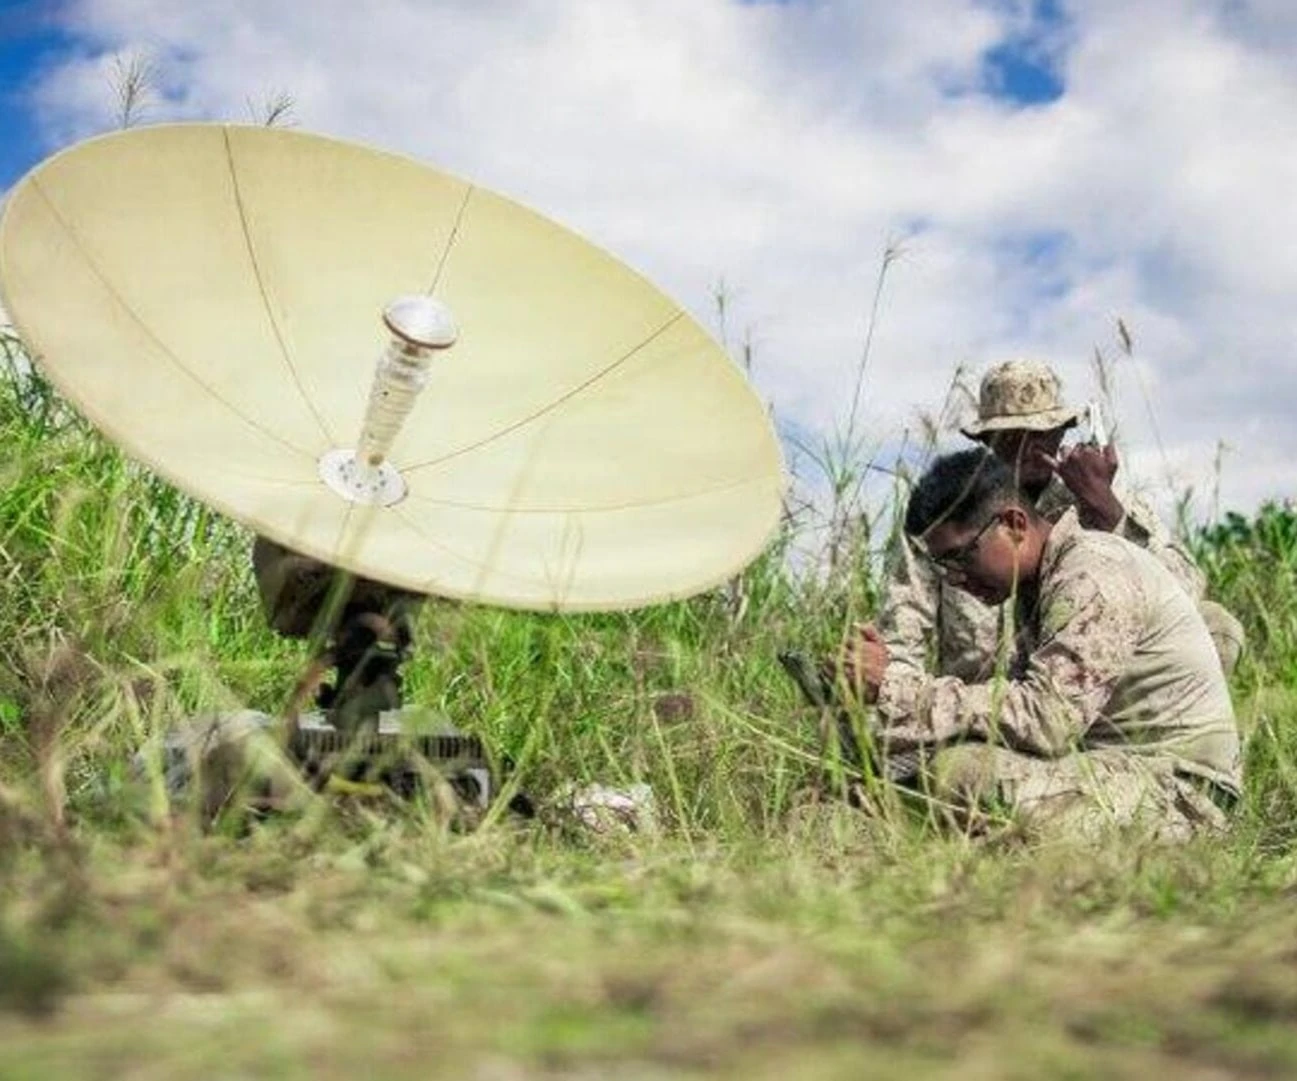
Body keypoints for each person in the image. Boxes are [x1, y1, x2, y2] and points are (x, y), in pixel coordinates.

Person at [841, 449, 1242, 841]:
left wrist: (896, 688)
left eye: (961, 557)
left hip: (1180, 791)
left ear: (1015, 524)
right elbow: (1016, 712)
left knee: (960, 773)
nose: (954, 579)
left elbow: (1047, 722)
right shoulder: (1041, 581)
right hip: (1115, 764)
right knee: (945, 768)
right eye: (942, 566)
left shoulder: (1090, 574)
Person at [878, 360, 1244, 713]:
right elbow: (901, 636)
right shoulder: (946, 520)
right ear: (988, 441)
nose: (1030, 447)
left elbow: (1185, 593)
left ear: (1061, 434)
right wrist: (899, 700)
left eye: (1042, 433)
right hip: (984, 708)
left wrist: (1107, 510)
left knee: (1216, 625)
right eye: (1012, 437)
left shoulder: (1095, 498)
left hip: (1087, 702)